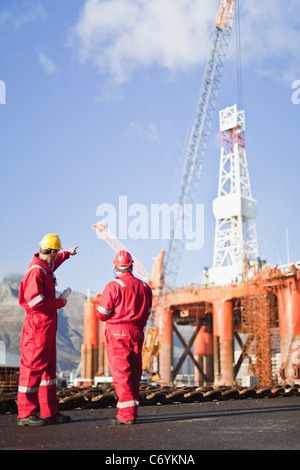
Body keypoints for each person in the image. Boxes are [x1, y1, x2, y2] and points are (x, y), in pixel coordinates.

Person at [17, 233, 78, 426]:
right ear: (50, 251)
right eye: (57, 252)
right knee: (33, 369)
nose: (57, 255)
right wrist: (59, 302)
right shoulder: (36, 272)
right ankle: (26, 414)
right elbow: (35, 302)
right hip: (37, 327)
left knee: (48, 371)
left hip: (46, 327)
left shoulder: (45, 266)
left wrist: (67, 254)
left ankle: (49, 412)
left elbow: (54, 262)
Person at [96, 250, 152, 425]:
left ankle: (126, 415)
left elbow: (102, 314)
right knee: (134, 372)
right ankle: (132, 410)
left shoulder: (114, 286)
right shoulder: (144, 286)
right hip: (137, 332)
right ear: (131, 266)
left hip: (117, 332)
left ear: (116, 267)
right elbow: (148, 312)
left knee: (122, 374)